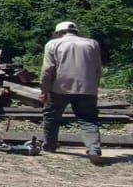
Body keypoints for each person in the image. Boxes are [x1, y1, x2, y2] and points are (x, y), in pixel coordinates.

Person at [40, 21, 103, 165]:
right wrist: (95, 87)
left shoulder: (53, 44)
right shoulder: (92, 44)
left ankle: (50, 146)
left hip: (60, 88)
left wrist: (44, 90)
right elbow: (98, 68)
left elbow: (47, 70)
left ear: (59, 32)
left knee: (51, 117)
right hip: (87, 88)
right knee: (88, 119)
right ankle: (93, 148)